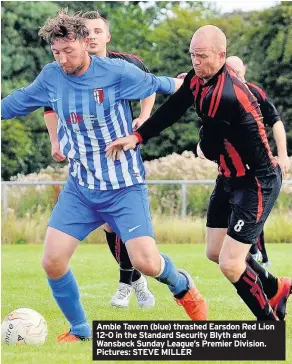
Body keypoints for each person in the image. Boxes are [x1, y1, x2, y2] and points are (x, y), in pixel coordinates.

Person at [1, 10, 208, 343]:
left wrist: (184, 84)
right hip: (81, 188)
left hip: (124, 186)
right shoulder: (52, 77)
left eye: (68, 51)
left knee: (147, 262)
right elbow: (17, 102)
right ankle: (81, 330)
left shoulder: (116, 71)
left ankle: (182, 284)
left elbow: (157, 84)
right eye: (57, 52)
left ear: (85, 43)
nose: (63, 58)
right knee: (53, 261)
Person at [106, 25, 292, 321]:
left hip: (256, 181)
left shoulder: (226, 94)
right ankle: (276, 287)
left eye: (202, 57)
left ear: (221, 55)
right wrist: (137, 137)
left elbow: (209, 146)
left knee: (231, 265)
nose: (196, 63)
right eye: (193, 56)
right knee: (215, 251)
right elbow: (173, 109)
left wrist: (203, 146)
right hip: (229, 178)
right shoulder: (198, 78)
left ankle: (269, 326)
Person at [43, 10, 157, 309]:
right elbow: (50, 106)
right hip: (86, 168)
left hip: (121, 159)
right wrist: (56, 141)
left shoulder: (124, 65)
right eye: (87, 31)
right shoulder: (64, 72)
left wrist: (144, 118)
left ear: (106, 36)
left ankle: (132, 281)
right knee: (110, 228)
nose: (91, 36)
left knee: (121, 230)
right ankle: (131, 282)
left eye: (97, 31)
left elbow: (151, 87)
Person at [223, 55, 290, 266]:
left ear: (244, 72)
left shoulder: (253, 92)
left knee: (251, 215)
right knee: (234, 217)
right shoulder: (220, 94)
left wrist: (283, 155)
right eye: (232, 73)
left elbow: (276, 122)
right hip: (232, 171)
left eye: (239, 73)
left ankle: (261, 259)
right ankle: (255, 257)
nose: (236, 77)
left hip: (257, 169)